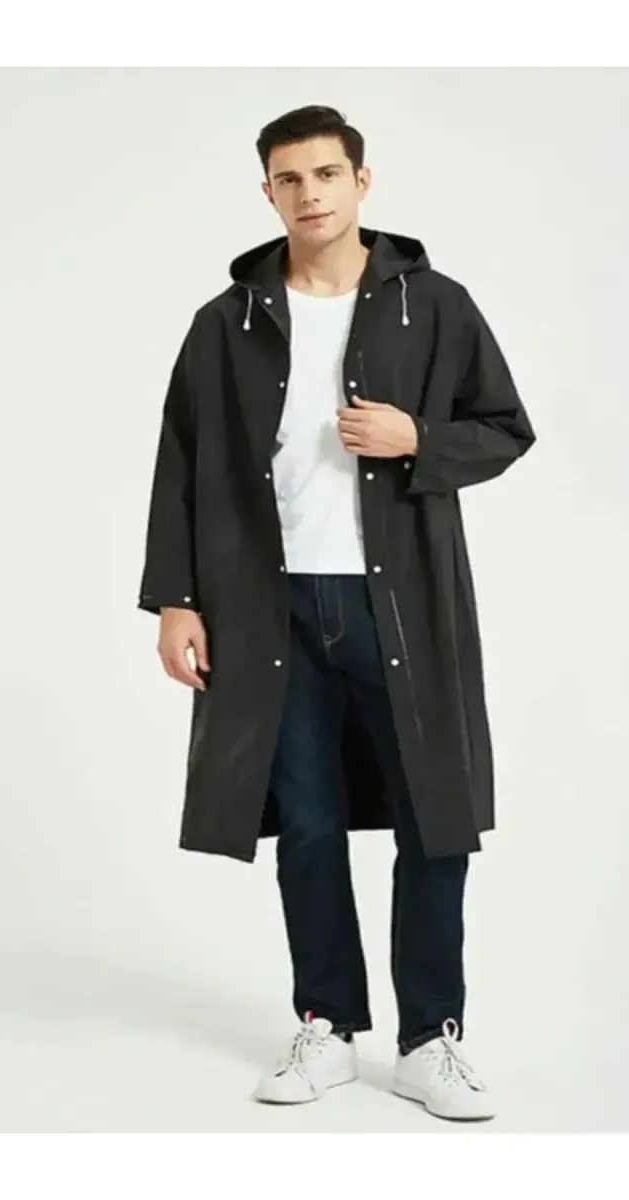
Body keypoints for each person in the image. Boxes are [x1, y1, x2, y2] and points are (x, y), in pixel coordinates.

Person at [137, 104, 536, 1122]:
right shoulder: (225, 323)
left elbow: (504, 427)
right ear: (267, 193)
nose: (309, 194)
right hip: (266, 612)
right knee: (307, 827)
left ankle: (429, 1039)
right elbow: (180, 462)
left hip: (401, 603)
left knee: (434, 819)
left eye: (326, 174)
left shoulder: (432, 305)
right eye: (289, 179)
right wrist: (176, 600)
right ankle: (326, 1026)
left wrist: (419, 439)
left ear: (362, 180)